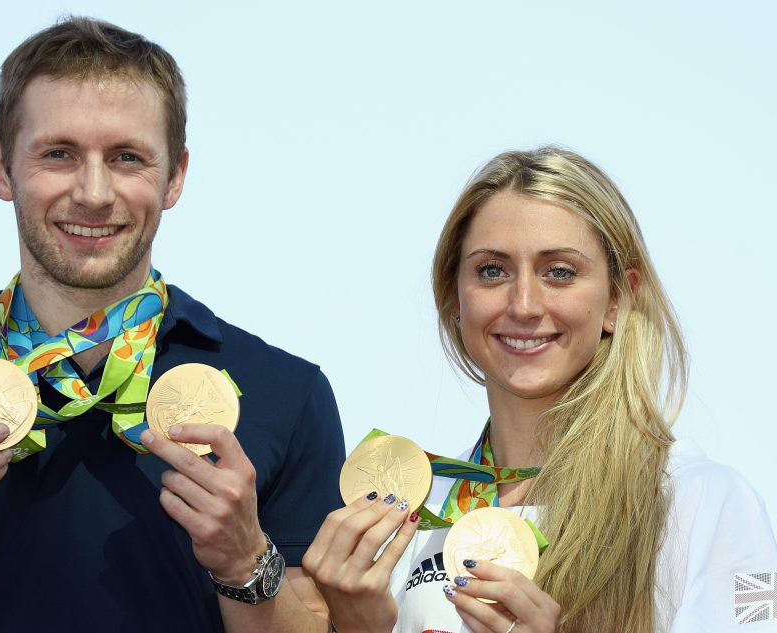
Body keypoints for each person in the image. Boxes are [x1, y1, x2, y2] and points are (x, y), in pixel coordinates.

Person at [0, 17, 344, 632]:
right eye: (59, 154)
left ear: (174, 175)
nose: (94, 193)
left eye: (126, 157)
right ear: (0, 166)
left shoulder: (288, 393)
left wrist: (245, 562)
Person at [303, 146, 777, 633]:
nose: (524, 305)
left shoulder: (708, 501)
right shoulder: (416, 509)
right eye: (492, 270)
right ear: (454, 300)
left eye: (560, 272)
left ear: (618, 298)